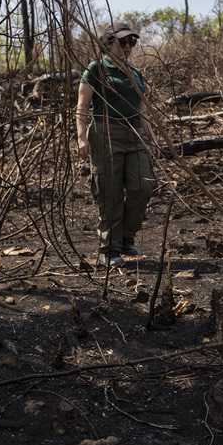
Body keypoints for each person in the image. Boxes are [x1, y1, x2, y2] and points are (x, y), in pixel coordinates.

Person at [76, 21, 160, 267]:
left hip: (134, 132)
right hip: (105, 132)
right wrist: (81, 138)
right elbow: (82, 107)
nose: (128, 46)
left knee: (143, 185)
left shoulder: (136, 74)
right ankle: (109, 249)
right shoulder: (96, 69)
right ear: (108, 43)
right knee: (109, 191)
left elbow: (142, 111)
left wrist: (152, 139)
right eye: (122, 42)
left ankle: (126, 236)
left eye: (131, 42)